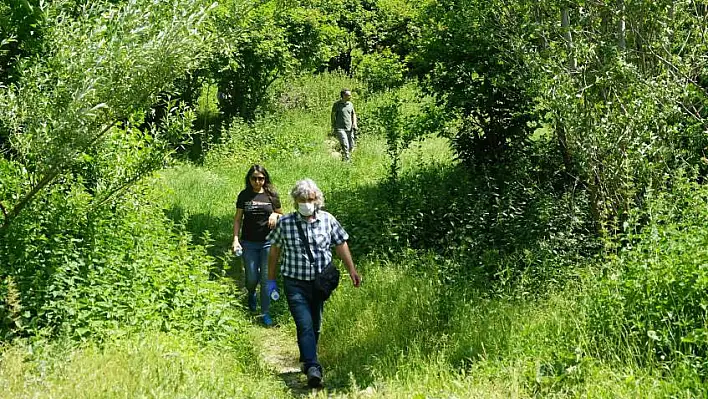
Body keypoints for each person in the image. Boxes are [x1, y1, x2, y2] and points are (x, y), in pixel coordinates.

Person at [265, 178, 361, 388]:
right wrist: (270, 279)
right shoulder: (286, 223)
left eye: (309, 199)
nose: (306, 203)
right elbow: (274, 251)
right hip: (294, 283)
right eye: (301, 199)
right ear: (295, 200)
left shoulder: (327, 220)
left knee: (315, 325)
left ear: (316, 199)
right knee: (304, 324)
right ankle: (313, 366)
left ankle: (308, 359)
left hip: (320, 284)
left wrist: (352, 270)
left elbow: (341, 244)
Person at [233, 165, 283, 326]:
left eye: (260, 178)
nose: (257, 181)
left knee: (266, 278)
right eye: (254, 178)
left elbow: (282, 214)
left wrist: (275, 215)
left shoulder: (271, 195)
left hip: (269, 243)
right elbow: (238, 219)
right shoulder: (244, 195)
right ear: (249, 179)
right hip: (249, 242)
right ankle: (251, 292)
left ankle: (265, 312)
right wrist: (235, 239)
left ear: (265, 179)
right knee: (252, 277)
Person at [331, 88, 358, 161]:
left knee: (351, 145)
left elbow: (353, 114)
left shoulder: (350, 104)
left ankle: (344, 158)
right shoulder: (337, 104)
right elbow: (333, 115)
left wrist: (354, 123)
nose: (350, 96)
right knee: (345, 144)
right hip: (340, 128)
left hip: (350, 128)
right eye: (348, 95)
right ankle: (347, 161)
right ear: (343, 95)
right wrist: (333, 126)